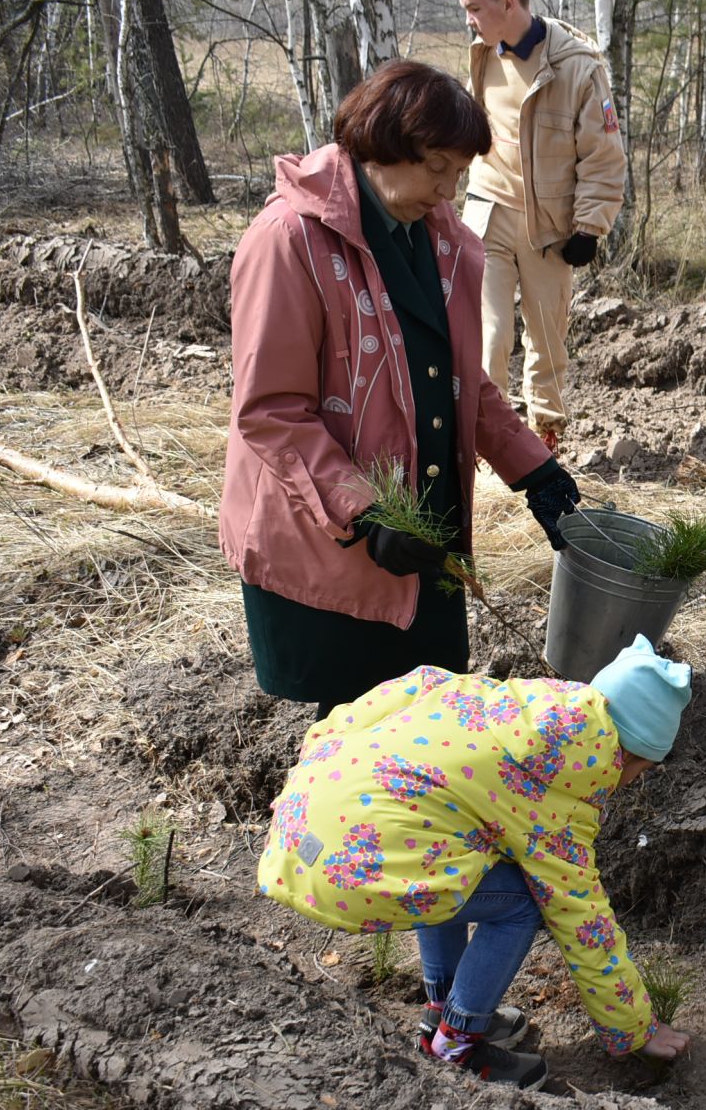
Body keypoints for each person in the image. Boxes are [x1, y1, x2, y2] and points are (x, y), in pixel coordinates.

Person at [220, 60, 583, 719]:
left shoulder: (444, 242)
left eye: (459, 175)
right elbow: (272, 413)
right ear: (384, 145)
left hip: (425, 535)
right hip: (331, 537)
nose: (447, 191)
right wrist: (368, 513)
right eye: (436, 168)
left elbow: (460, 382)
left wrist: (535, 468)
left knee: (420, 719)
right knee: (352, 729)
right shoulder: (288, 244)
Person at [257, 636, 697, 1087]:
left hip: (301, 821)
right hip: (351, 873)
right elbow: (582, 918)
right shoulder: (560, 794)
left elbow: (408, 685)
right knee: (525, 902)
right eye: (641, 769)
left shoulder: (488, 697)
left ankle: (443, 1007)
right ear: (631, 755)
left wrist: (304, 773)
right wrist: (637, 1027)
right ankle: (456, 1043)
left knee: (443, 849)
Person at [455, 0, 626, 448]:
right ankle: (486, 443)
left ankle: (543, 439)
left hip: (548, 226)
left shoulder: (577, 66)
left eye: (474, 9)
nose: (468, 19)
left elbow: (603, 154)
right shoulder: (480, 55)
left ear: (508, 3)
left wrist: (590, 227)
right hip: (487, 212)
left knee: (547, 341)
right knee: (488, 334)